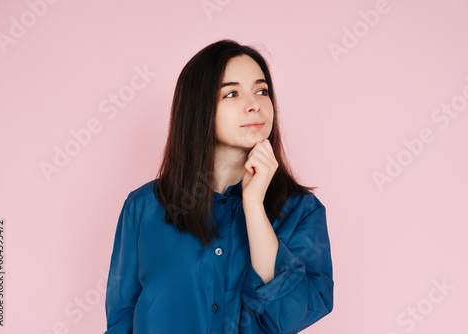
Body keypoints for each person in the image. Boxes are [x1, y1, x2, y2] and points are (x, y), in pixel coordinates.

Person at [104, 39, 334, 334]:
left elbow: (291, 314)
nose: (255, 105)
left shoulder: (301, 211)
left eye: (262, 91)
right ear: (198, 108)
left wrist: (253, 207)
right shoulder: (145, 208)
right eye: (232, 93)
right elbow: (122, 318)